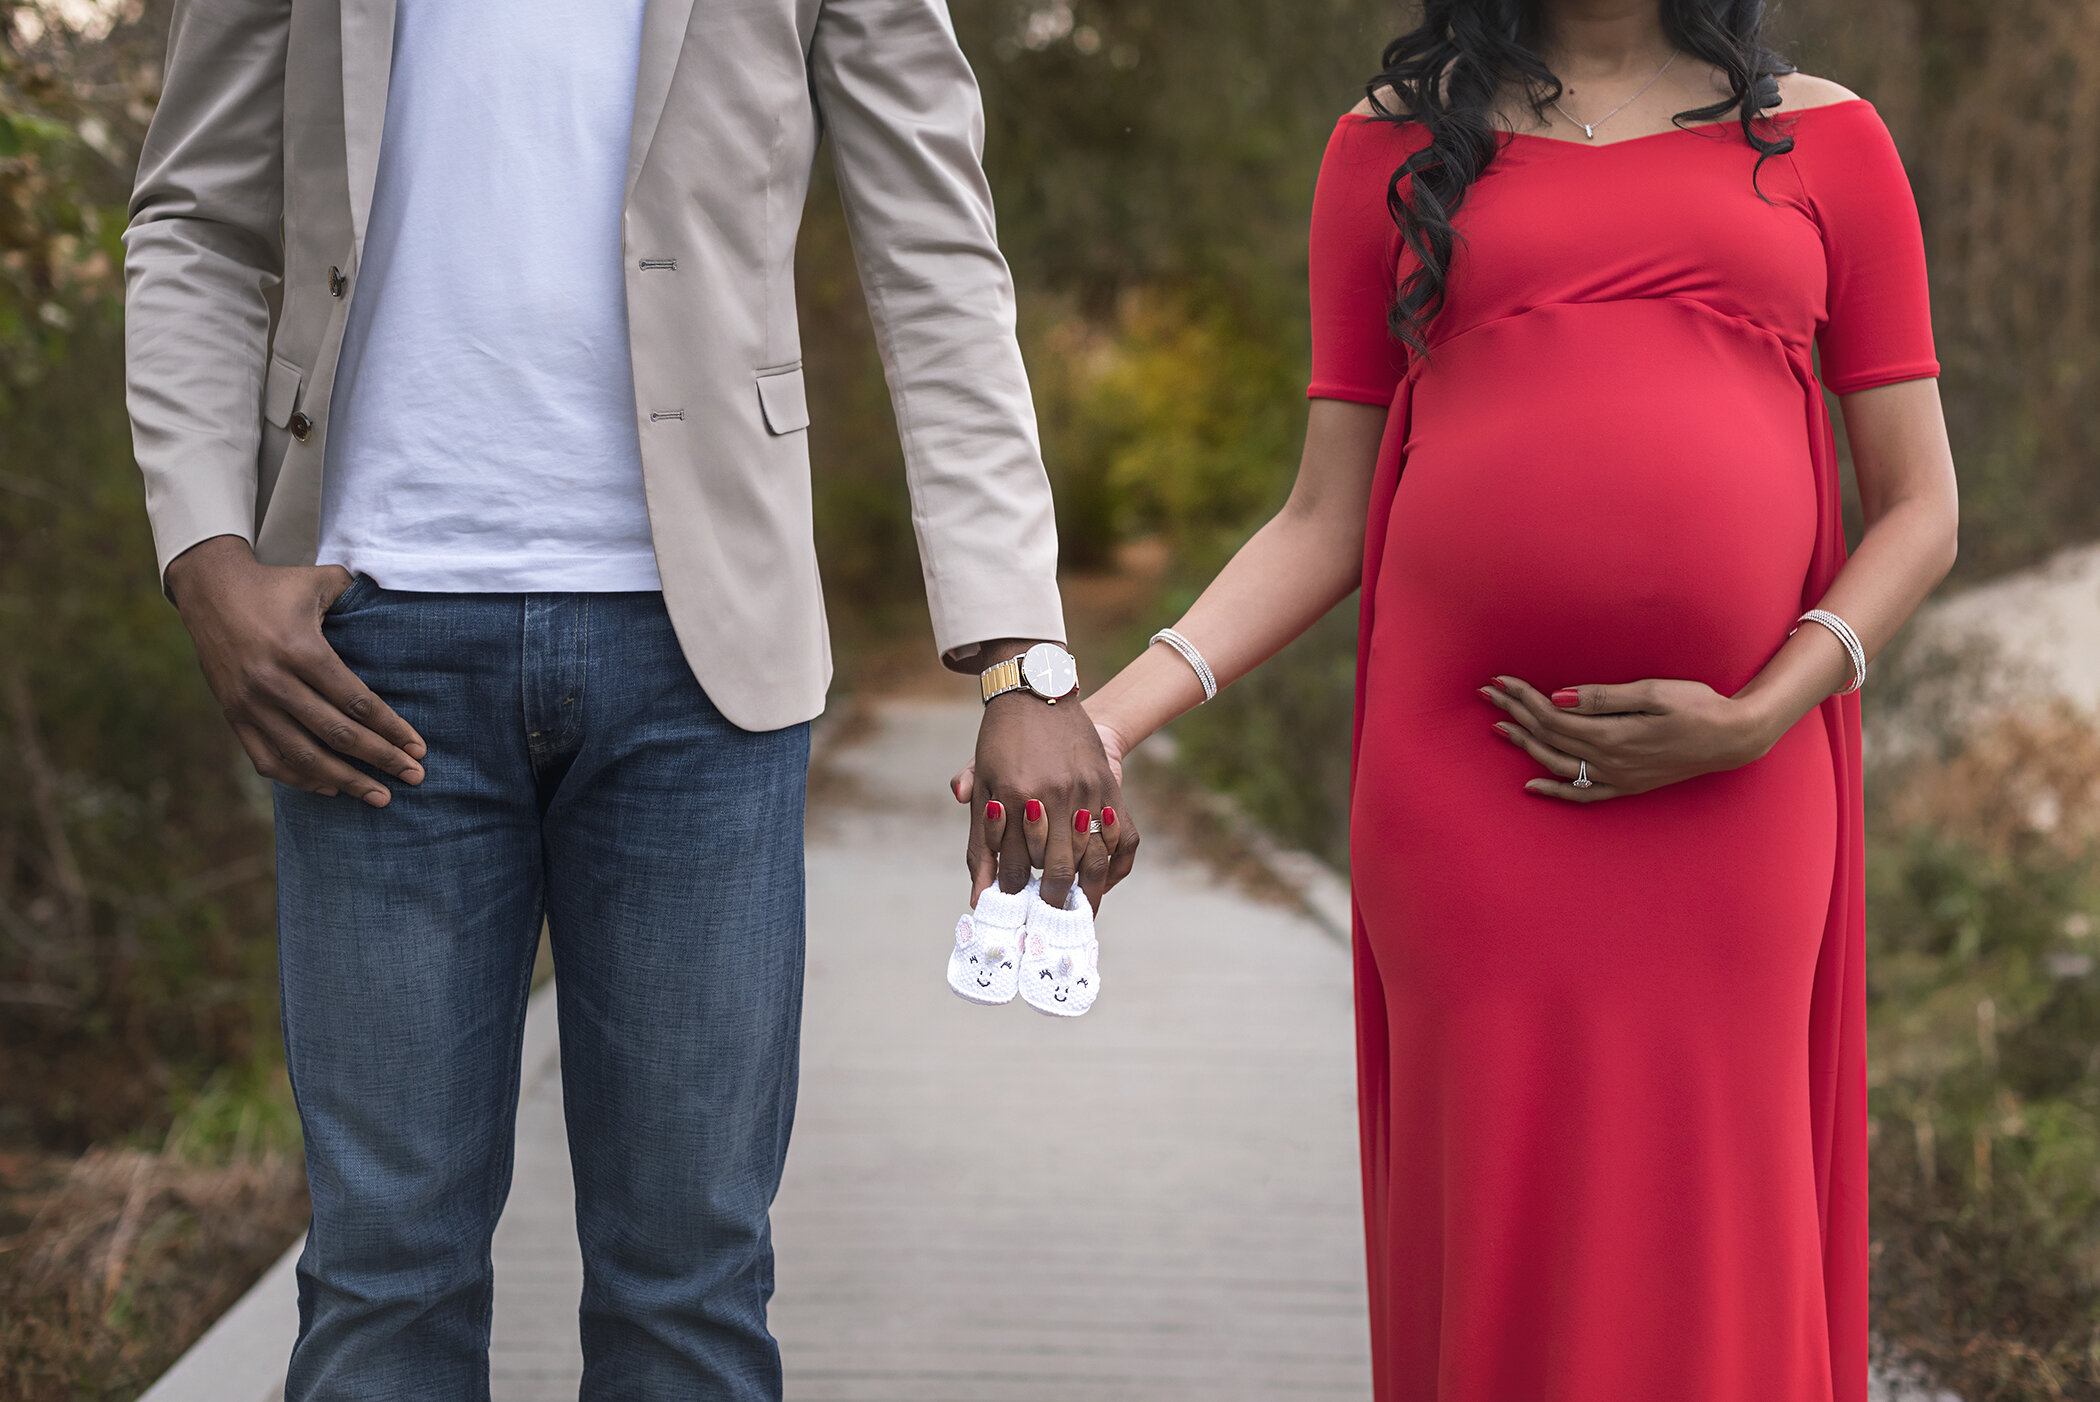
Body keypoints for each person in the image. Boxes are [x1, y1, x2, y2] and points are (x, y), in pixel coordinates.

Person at [121, 0, 1131, 1395]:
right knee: (382, 1275)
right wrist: (202, 552)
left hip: (704, 667)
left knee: (691, 1286)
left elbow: (936, 250)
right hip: (363, 648)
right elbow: (196, 216)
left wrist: (1019, 647)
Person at [1009, 1, 1959, 1397]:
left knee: (1716, 1198)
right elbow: (1325, 517)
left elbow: (1924, 508)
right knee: (1505, 1202)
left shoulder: (1826, 141)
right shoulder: (1391, 149)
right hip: (1470, 788)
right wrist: (1110, 716)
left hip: (1741, 784)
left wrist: (1769, 708)